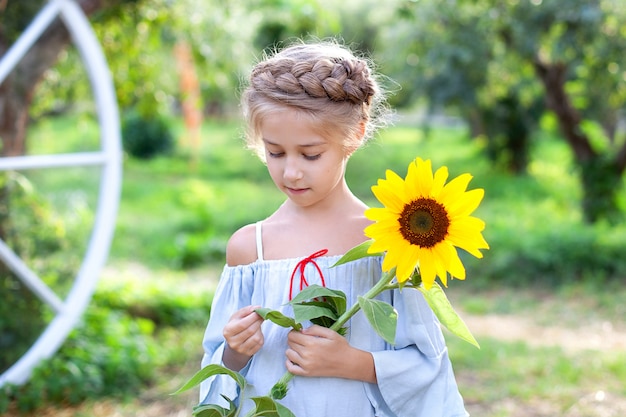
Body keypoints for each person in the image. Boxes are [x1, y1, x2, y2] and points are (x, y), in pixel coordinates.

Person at [199, 39, 469, 417]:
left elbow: (429, 365)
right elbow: (218, 371)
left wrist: (353, 362)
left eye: (310, 154)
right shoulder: (249, 249)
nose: (290, 171)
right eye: (275, 152)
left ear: (355, 134)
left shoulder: (388, 241)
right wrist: (235, 352)